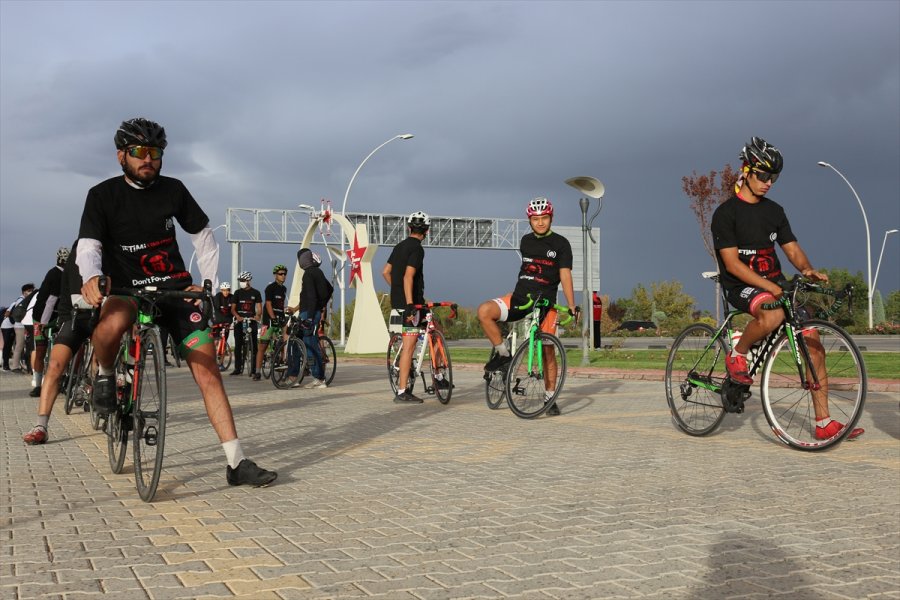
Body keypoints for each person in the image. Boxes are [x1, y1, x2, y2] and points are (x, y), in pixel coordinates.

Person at [76, 117, 276, 486]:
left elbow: (203, 237)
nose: (147, 159)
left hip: (176, 289)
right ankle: (105, 375)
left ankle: (236, 461)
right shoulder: (102, 195)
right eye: (138, 152)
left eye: (154, 152)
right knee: (112, 324)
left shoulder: (174, 190)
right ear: (122, 156)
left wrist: (208, 283)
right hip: (127, 290)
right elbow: (90, 245)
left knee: (207, 366)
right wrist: (90, 276)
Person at [710, 136, 863, 441]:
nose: (768, 183)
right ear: (747, 170)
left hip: (775, 286)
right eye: (763, 175)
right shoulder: (725, 214)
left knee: (814, 342)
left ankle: (824, 423)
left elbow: (792, 249)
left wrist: (807, 269)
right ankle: (739, 353)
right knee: (772, 315)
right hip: (741, 285)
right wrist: (768, 285)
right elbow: (732, 264)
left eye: (774, 178)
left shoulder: (775, 211)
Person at [476, 197, 577, 416]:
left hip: (546, 303)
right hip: (520, 299)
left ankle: (550, 398)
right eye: (536, 219)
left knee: (548, 350)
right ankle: (503, 355)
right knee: (484, 311)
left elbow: (565, 275)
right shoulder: (525, 241)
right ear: (529, 220)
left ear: (551, 218)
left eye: (544, 218)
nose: (540, 222)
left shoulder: (561, 244)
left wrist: (571, 306)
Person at [23, 241, 96, 444]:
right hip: (75, 319)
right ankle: (41, 425)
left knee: (101, 353)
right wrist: (62, 324)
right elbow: (62, 297)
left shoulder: (114, 254)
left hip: (103, 319)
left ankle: (99, 385)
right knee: (55, 365)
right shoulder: (72, 262)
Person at [382, 211, 431, 404]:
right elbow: (408, 276)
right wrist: (410, 303)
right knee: (409, 348)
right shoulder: (417, 249)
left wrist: (397, 291)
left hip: (399, 302)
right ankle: (402, 391)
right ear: (426, 231)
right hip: (411, 304)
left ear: (409, 228)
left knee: (433, 326)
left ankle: (439, 377)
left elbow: (386, 272)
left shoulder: (400, 246)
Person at [28, 247, 70, 397]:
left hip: (49, 315)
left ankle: (44, 383)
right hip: (42, 316)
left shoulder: (57, 272)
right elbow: (51, 301)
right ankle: (38, 385)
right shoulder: (57, 275)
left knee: (44, 349)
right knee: (41, 350)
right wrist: (44, 323)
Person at [296, 248, 333, 389]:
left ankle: (319, 377)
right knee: (306, 342)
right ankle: (305, 374)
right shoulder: (318, 272)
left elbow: (311, 296)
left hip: (308, 313)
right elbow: (329, 289)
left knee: (309, 345)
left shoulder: (308, 274)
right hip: (312, 312)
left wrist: (310, 317)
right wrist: (321, 304)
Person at [254, 264, 290, 381]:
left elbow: (279, 304)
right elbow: (268, 304)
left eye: (285, 274)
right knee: (262, 346)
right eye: (280, 274)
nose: (283, 276)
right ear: (275, 275)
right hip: (269, 320)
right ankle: (258, 371)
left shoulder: (284, 289)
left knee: (286, 338)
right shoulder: (270, 288)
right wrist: (273, 317)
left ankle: (283, 362)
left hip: (280, 317)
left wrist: (285, 311)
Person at [231, 271, 262, 377]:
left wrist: (258, 315)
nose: (242, 282)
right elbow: (233, 309)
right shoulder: (237, 293)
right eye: (240, 281)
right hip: (240, 321)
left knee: (254, 346)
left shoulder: (256, 293)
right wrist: (238, 316)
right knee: (238, 345)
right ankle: (237, 368)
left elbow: (259, 308)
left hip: (251, 320)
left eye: (243, 280)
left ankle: (253, 369)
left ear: (248, 281)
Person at [212, 281, 234, 371]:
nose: (226, 292)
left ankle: (221, 363)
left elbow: (232, 310)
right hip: (218, 321)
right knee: (216, 342)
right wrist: (219, 322)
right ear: (221, 290)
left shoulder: (232, 297)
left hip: (227, 322)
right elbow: (216, 310)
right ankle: (212, 359)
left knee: (224, 343)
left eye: (228, 290)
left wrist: (230, 322)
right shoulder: (218, 297)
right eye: (224, 290)